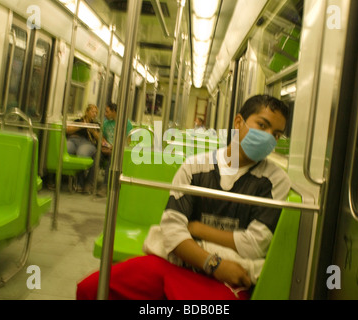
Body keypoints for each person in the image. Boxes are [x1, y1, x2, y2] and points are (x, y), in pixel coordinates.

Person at [77, 94, 291, 300]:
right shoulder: (196, 166)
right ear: (238, 122)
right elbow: (172, 229)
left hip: (230, 276)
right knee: (91, 288)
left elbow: (254, 245)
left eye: (276, 134)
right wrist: (212, 263)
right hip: (183, 262)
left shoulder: (275, 180)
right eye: (262, 126)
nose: (268, 138)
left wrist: (198, 229)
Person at [97, 103, 133, 197]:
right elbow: (103, 137)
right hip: (107, 149)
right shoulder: (106, 123)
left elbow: (129, 140)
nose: (105, 114)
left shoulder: (126, 123)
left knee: (112, 160)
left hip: (119, 150)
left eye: (107, 112)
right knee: (96, 156)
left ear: (114, 111)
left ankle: (105, 186)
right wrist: (104, 145)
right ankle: (88, 183)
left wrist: (115, 147)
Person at [66, 104, 100, 193]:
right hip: (74, 139)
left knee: (82, 153)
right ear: (87, 112)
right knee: (66, 149)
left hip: (87, 142)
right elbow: (68, 129)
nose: (94, 114)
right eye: (92, 112)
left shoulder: (95, 124)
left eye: (96, 113)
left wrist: (92, 130)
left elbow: (99, 138)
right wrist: (81, 126)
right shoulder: (78, 121)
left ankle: (80, 182)